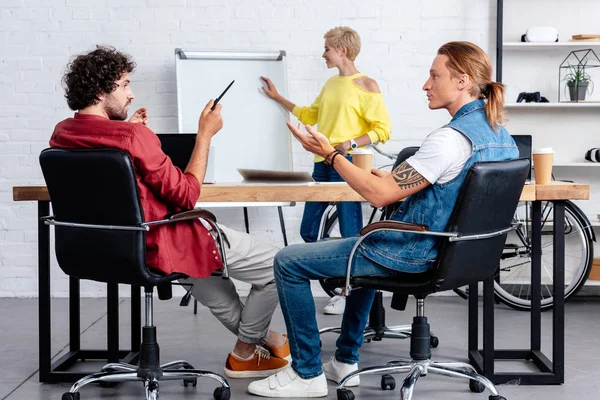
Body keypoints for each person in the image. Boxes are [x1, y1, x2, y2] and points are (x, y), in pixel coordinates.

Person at [247, 41, 519, 397]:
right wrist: (383, 176)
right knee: (367, 244)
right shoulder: (502, 138)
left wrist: (329, 154)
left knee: (287, 262)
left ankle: (307, 374)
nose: (426, 84)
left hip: (415, 254)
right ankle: (345, 359)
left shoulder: (449, 139)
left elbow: (380, 196)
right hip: (461, 257)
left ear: (462, 81)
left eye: (434, 76)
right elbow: (432, 187)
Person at [49, 45, 291, 379]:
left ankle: (253, 349)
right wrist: (203, 135)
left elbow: (108, 168)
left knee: (219, 293)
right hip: (163, 243)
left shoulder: (63, 133)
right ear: (103, 91)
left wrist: (126, 131)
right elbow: (187, 195)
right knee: (281, 264)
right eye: (125, 85)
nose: (132, 94)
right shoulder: (134, 136)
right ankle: (252, 349)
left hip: (108, 248)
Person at [261, 26, 392, 315]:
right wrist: (278, 97)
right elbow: (310, 114)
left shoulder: (366, 85)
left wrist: (348, 143)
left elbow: (383, 130)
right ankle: (338, 276)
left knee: (350, 234)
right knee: (308, 230)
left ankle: (350, 291)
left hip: (348, 168)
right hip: (322, 165)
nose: (324, 54)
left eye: (327, 49)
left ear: (341, 50)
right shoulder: (332, 85)